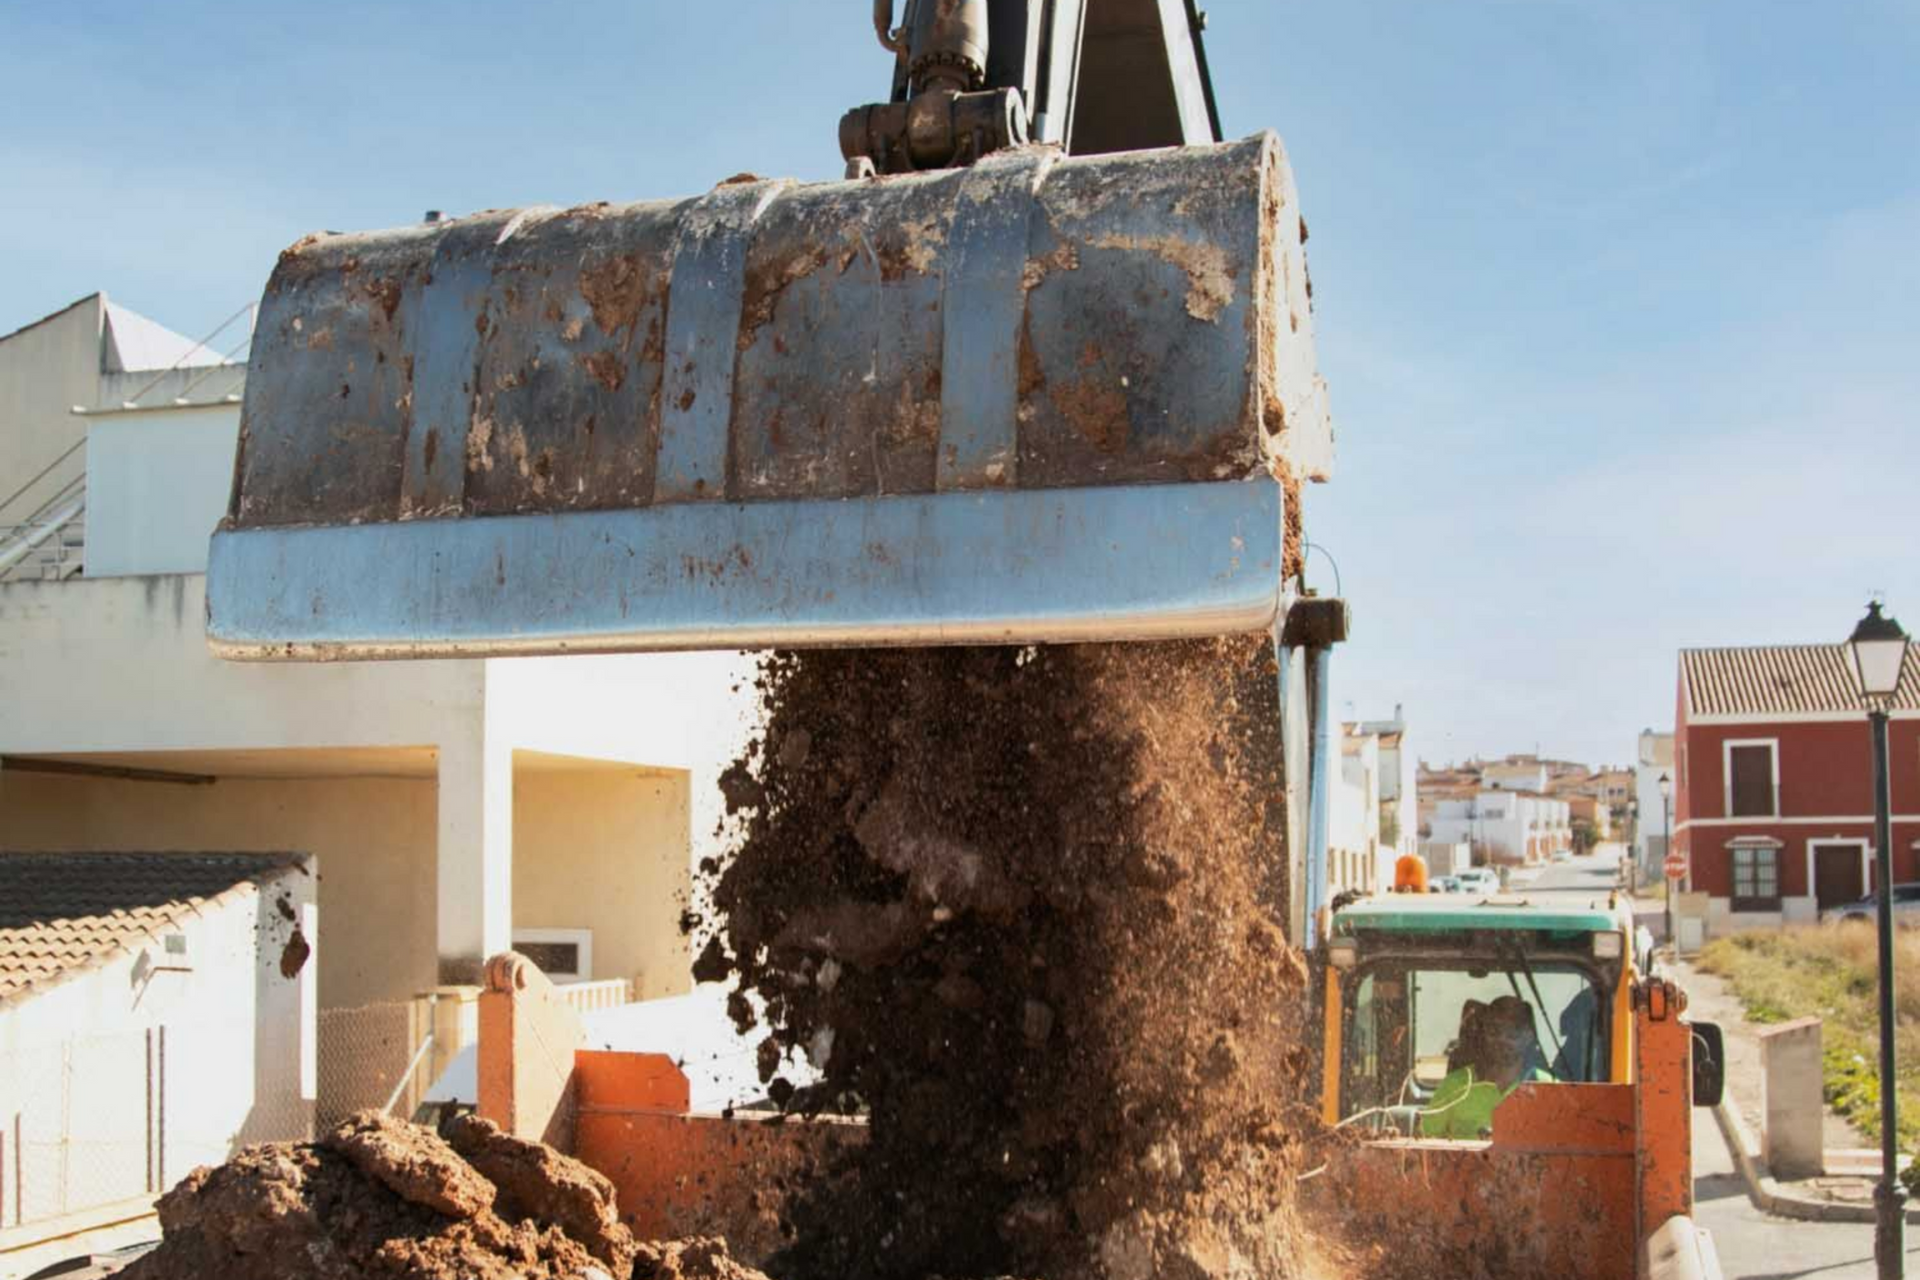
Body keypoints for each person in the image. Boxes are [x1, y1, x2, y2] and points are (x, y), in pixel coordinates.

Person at [1420, 994, 1554, 1139]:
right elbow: (1423, 1143)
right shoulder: (1454, 1085)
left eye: (1512, 1033)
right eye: (1494, 1031)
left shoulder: (1548, 1088)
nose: (1501, 1039)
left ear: (1528, 1037)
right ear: (1484, 1034)